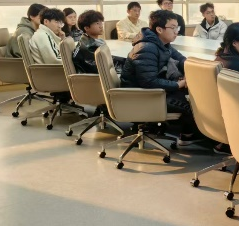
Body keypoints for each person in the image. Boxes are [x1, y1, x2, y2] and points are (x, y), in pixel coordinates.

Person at [120, 10, 200, 148]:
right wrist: (178, 84)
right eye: (173, 28)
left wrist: (188, 72)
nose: (176, 32)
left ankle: (189, 133)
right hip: (141, 96)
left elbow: (181, 59)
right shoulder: (147, 48)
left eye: (177, 28)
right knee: (192, 105)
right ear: (159, 29)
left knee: (192, 96)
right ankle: (188, 135)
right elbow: (148, 81)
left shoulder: (161, 43)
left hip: (152, 91)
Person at [72, 10, 124, 74]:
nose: (101, 26)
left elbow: (108, 59)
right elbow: (100, 67)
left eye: (101, 22)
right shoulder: (88, 46)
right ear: (87, 28)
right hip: (95, 78)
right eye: (97, 23)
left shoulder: (91, 41)